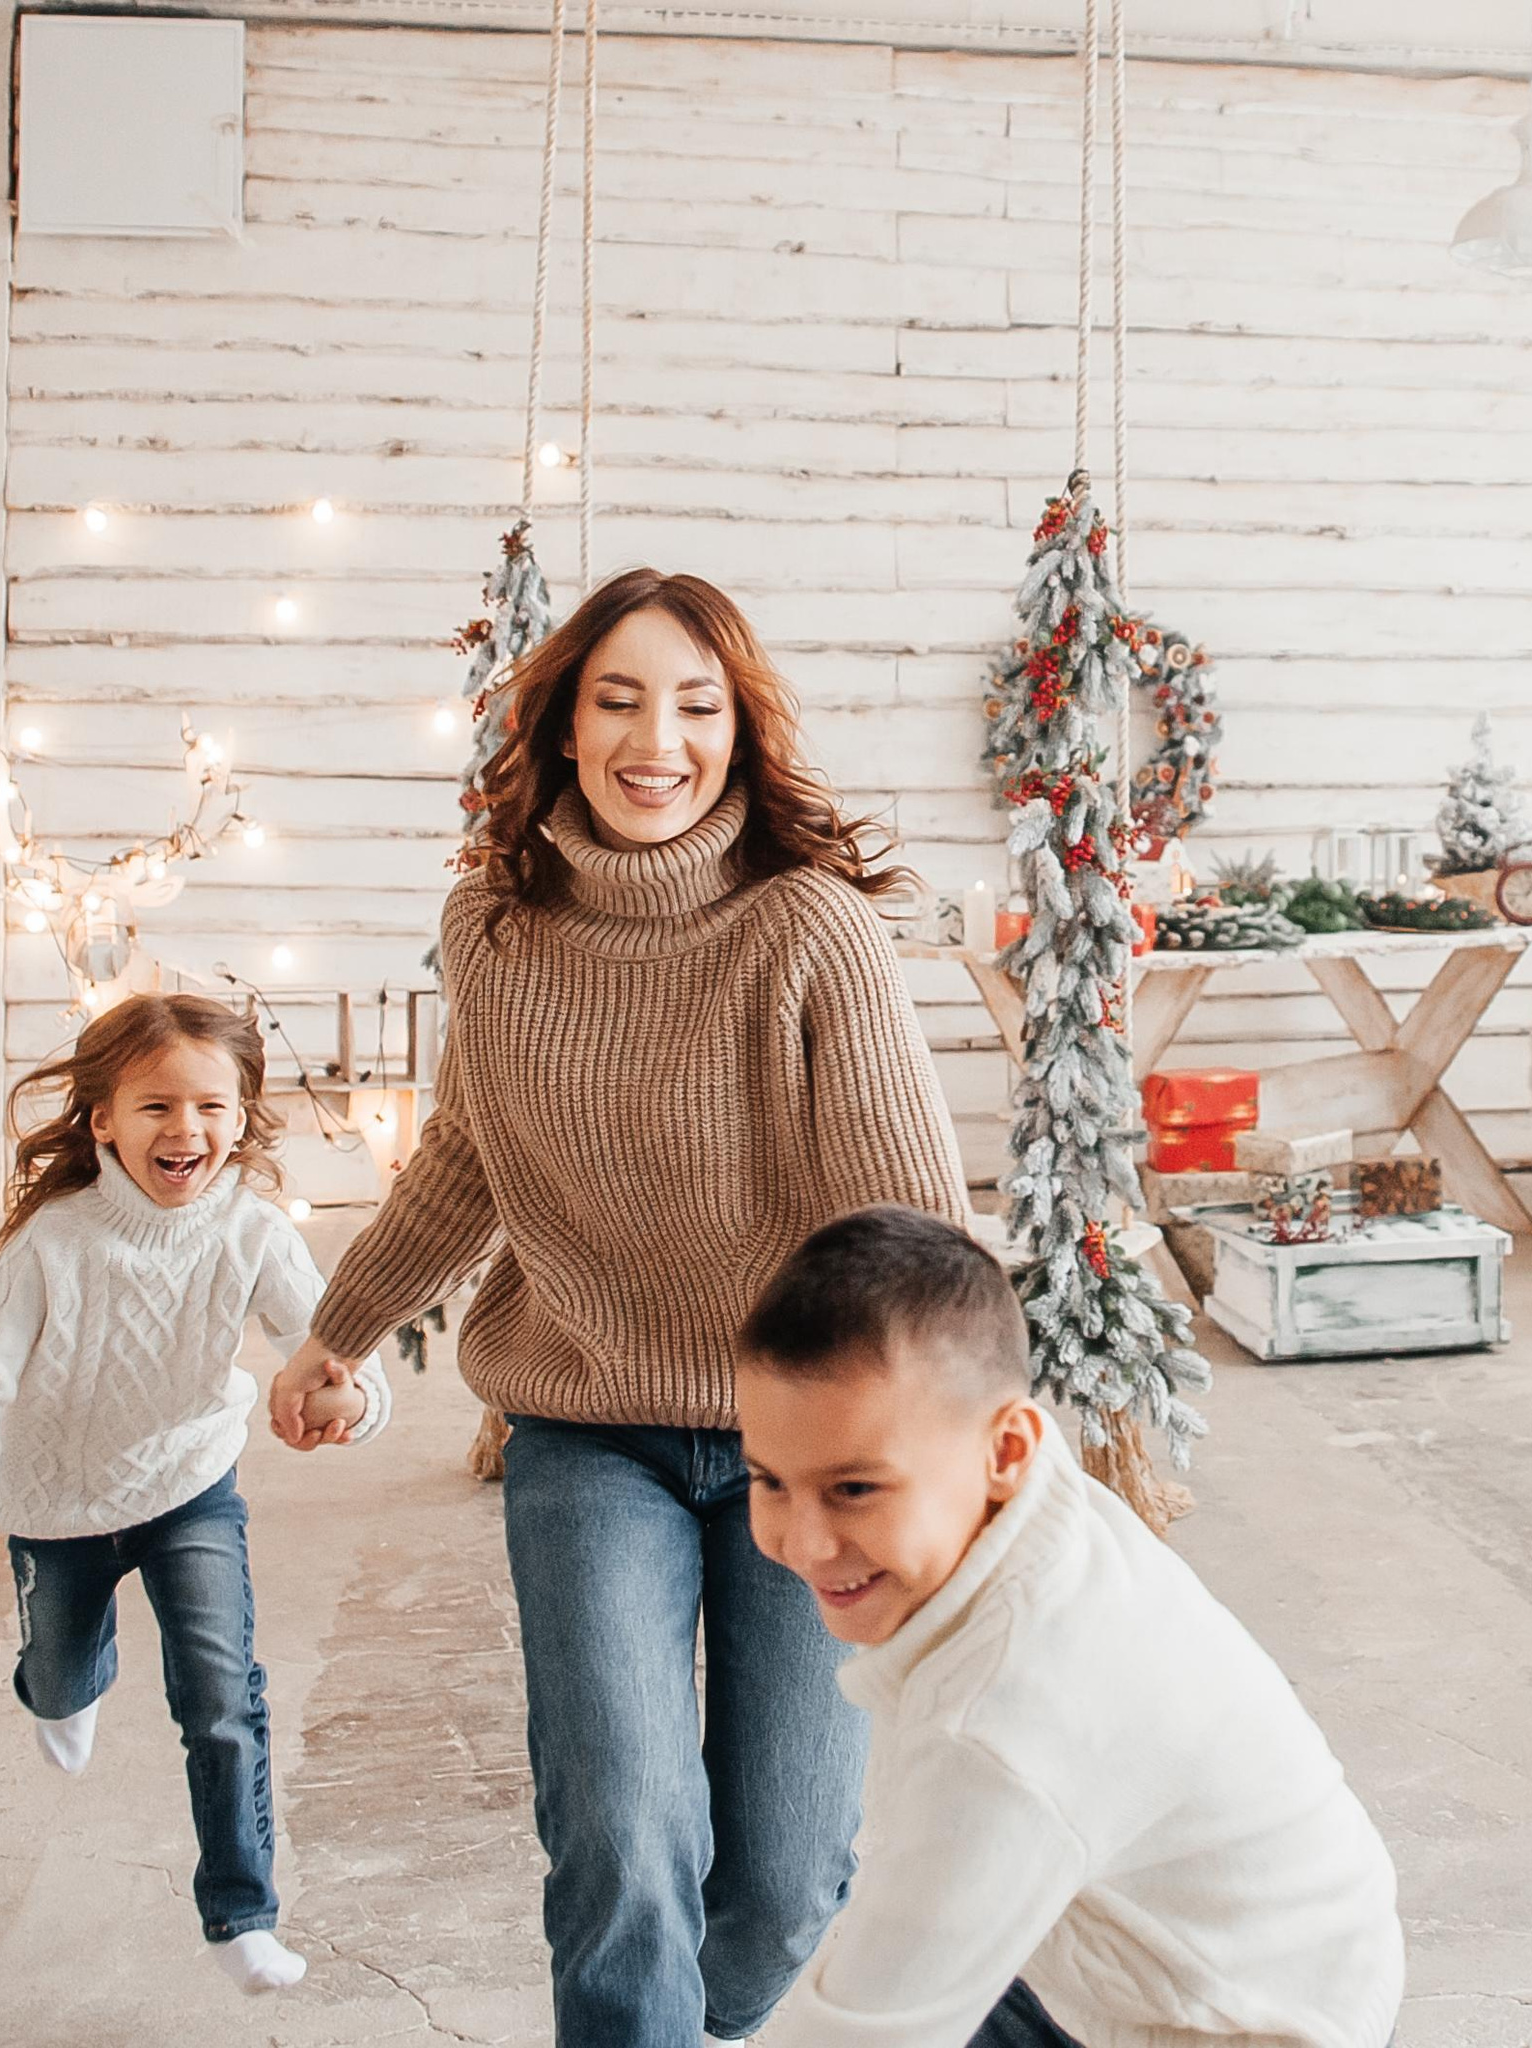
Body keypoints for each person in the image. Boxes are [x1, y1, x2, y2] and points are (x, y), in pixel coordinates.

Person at [268, 569, 971, 2047]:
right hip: (586, 1434)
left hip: (804, 1449)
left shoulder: (808, 932)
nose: (660, 738)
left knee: (786, 1881)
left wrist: (959, 1448)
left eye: (698, 705)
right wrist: (338, 1328)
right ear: (566, 727)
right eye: (621, 698)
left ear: (740, 732)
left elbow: (911, 1222)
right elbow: (469, 1153)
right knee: (622, 1839)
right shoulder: (497, 932)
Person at [735, 1205, 1406, 2048]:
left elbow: (864, 2034)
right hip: (1275, 1951)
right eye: (768, 1480)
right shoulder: (1027, 1496)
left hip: (1251, 2022)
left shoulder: (1001, 1724)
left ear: (1003, 1452)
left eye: (856, 1489)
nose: (802, 1543)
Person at [0, 993, 391, 1997]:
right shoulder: (52, 1241)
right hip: (55, 1502)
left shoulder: (254, 1230)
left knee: (222, 1697)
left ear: (243, 1115)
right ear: (103, 1119)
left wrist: (349, 1395)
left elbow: (325, 1343)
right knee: (55, 1669)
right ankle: (65, 1685)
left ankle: (242, 1910)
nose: (186, 1129)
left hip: (188, 1486)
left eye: (212, 1105)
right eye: (156, 1105)